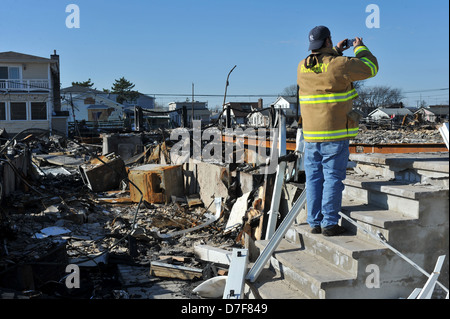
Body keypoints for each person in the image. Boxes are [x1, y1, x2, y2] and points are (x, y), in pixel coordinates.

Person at [297, 26, 378, 236]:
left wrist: (335, 50)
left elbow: (323, 67)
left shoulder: (302, 67)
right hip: (334, 134)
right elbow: (371, 68)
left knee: (314, 178)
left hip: (311, 135)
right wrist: (359, 48)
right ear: (327, 41)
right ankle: (329, 224)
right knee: (333, 177)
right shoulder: (340, 65)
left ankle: (314, 222)